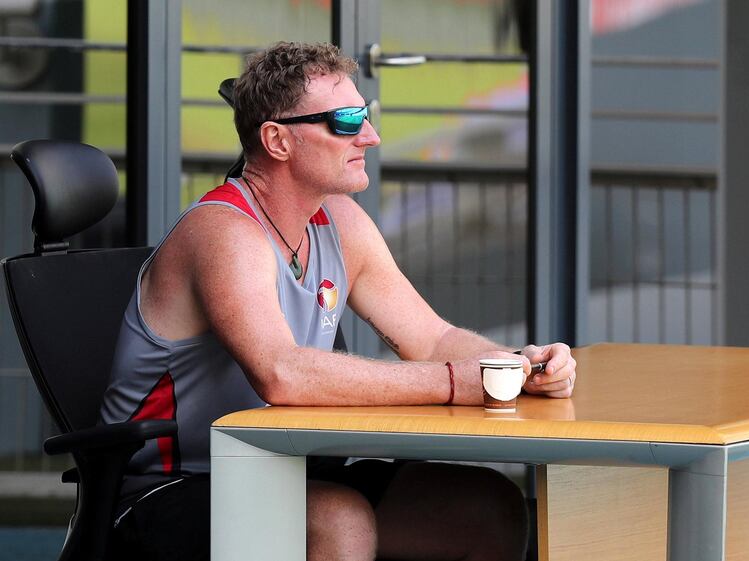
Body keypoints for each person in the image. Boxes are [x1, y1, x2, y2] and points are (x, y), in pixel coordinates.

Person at [102, 41, 577, 561]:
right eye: (347, 121)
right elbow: (282, 373)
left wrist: (516, 367)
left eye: (365, 115)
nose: (370, 136)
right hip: (173, 488)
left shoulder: (342, 221)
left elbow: (433, 338)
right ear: (278, 140)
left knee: (486, 509)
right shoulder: (223, 231)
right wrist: (451, 381)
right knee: (338, 518)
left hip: (296, 469)